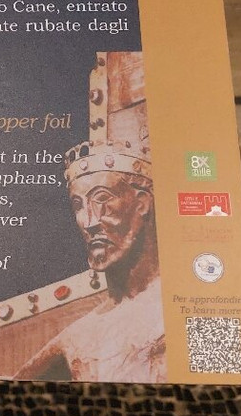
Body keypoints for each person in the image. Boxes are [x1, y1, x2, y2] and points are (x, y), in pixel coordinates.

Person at [16, 54, 167, 383]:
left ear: (142, 203)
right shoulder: (79, 336)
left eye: (103, 201)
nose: (89, 221)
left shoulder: (178, 308)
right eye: (78, 205)